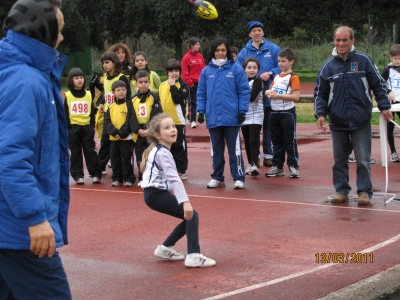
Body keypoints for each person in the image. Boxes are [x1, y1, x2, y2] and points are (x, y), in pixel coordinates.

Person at [0, 0, 72, 298]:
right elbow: (11, 158)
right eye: (60, 29)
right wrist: (35, 218)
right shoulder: (26, 80)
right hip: (18, 229)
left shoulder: (20, 72)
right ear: (43, 32)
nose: (63, 37)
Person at [315, 26, 392, 205]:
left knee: (363, 159)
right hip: (338, 120)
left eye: (345, 40)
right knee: (339, 159)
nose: (341, 43)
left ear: (352, 41)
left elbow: (378, 85)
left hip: (360, 119)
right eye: (338, 40)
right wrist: (320, 114)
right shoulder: (328, 66)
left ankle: (364, 191)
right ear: (334, 41)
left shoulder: (364, 61)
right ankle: (342, 191)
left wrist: (384, 106)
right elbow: (320, 93)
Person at [140, 113, 216, 268]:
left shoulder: (157, 150)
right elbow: (175, 179)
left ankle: (165, 248)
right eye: (167, 128)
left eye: (173, 126)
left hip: (153, 195)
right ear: (157, 135)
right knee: (192, 216)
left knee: (189, 217)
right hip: (156, 194)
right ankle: (193, 255)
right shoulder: (163, 153)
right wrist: (185, 201)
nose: (173, 130)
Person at [197, 37, 250, 189]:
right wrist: (201, 111)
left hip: (232, 117)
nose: (220, 53)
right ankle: (218, 177)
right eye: (217, 50)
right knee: (216, 149)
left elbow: (244, 91)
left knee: (235, 150)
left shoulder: (236, 69)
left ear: (227, 51)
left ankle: (238, 177)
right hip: (213, 117)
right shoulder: (206, 71)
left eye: (223, 50)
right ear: (213, 52)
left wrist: (242, 110)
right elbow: (201, 92)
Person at [236, 21, 281, 168]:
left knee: (269, 127)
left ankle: (269, 156)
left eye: (259, 30)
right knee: (252, 131)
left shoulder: (273, 49)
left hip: (270, 96)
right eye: (254, 30)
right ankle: (254, 158)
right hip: (252, 100)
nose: (257, 33)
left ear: (263, 33)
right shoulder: (244, 52)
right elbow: (238, 71)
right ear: (250, 34)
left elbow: (281, 66)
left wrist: (270, 73)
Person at [265, 48, 301, 178]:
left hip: (287, 113)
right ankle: (278, 166)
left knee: (289, 140)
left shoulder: (293, 77)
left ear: (291, 62)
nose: (280, 64)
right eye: (279, 61)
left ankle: (293, 166)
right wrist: (269, 93)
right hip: (274, 112)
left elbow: (296, 97)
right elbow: (269, 91)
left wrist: (279, 96)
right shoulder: (276, 77)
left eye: (283, 61)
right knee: (276, 141)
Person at [64, 67, 102, 184]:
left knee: (90, 150)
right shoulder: (68, 95)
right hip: (74, 128)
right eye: (76, 78)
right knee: (75, 152)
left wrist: (91, 126)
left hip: (86, 127)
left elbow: (91, 111)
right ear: (71, 80)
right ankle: (77, 175)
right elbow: (66, 112)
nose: (79, 80)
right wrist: (69, 127)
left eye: (81, 77)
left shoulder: (88, 94)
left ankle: (95, 173)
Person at [97, 52, 131, 174]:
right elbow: (106, 93)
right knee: (105, 140)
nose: (104, 65)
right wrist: (101, 102)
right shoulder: (105, 77)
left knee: (122, 141)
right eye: (103, 63)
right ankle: (100, 166)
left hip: (121, 112)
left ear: (114, 63)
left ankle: (125, 167)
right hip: (109, 112)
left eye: (107, 62)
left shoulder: (121, 78)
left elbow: (128, 95)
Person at [130, 70, 163, 185]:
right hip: (138, 133)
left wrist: (149, 129)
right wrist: (137, 130)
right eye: (140, 82)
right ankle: (142, 177)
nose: (143, 84)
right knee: (140, 156)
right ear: (136, 83)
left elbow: (157, 114)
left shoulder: (154, 97)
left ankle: (153, 177)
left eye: (145, 82)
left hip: (150, 132)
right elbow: (131, 117)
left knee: (152, 155)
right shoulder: (133, 99)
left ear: (149, 82)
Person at [159, 59, 189, 179]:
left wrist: (172, 86)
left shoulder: (183, 85)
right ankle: (169, 169)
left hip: (178, 121)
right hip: (165, 122)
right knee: (167, 146)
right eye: (171, 71)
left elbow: (177, 99)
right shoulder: (162, 86)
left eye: (176, 71)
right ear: (167, 72)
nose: (174, 73)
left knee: (179, 146)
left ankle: (182, 170)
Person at [104, 80, 136, 187]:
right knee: (115, 159)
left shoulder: (129, 104)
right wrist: (114, 133)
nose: (121, 92)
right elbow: (107, 122)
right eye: (118, 90)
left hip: (126, 139)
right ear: (113, 93)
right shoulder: (110, 106)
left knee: (126, 159)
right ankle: (117, 178)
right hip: (114, 139)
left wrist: (122, 133)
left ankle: (129, 178)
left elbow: (129, 120)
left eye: (123, 89)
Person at [241, 57, 264, 176]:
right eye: (249, 67)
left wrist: (244, 96)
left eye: (254, 68)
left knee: (253, 139)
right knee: (247, 140)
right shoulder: (241, 81)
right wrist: (247, 96)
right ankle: (250, 163)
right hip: (244, 115)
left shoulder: (258, 81)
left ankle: (254, 163)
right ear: (244, 69)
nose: (252, 70)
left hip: (256, 114)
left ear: (258, 70)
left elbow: (252, 96)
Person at [381, 44, 400, 162]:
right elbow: (380, 84)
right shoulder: (388, 70)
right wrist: (389, 92)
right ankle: (393, 152)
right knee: (390, 127)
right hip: (392, 103)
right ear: (391, 57)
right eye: (395, 58)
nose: (398, 61)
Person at [181, 37, 206, 128]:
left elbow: (204, 69)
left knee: (202, 100)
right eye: (197, 45)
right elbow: (184, 72)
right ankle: (192, 120)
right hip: (191, 84)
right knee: (192, 102)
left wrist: (204, 80)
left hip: (201, 83)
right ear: (192, 46)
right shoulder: (186, 57)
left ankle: (194, 117)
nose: (199, 46)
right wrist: (190, 82)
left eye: (199, 44)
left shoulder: (200, 56)